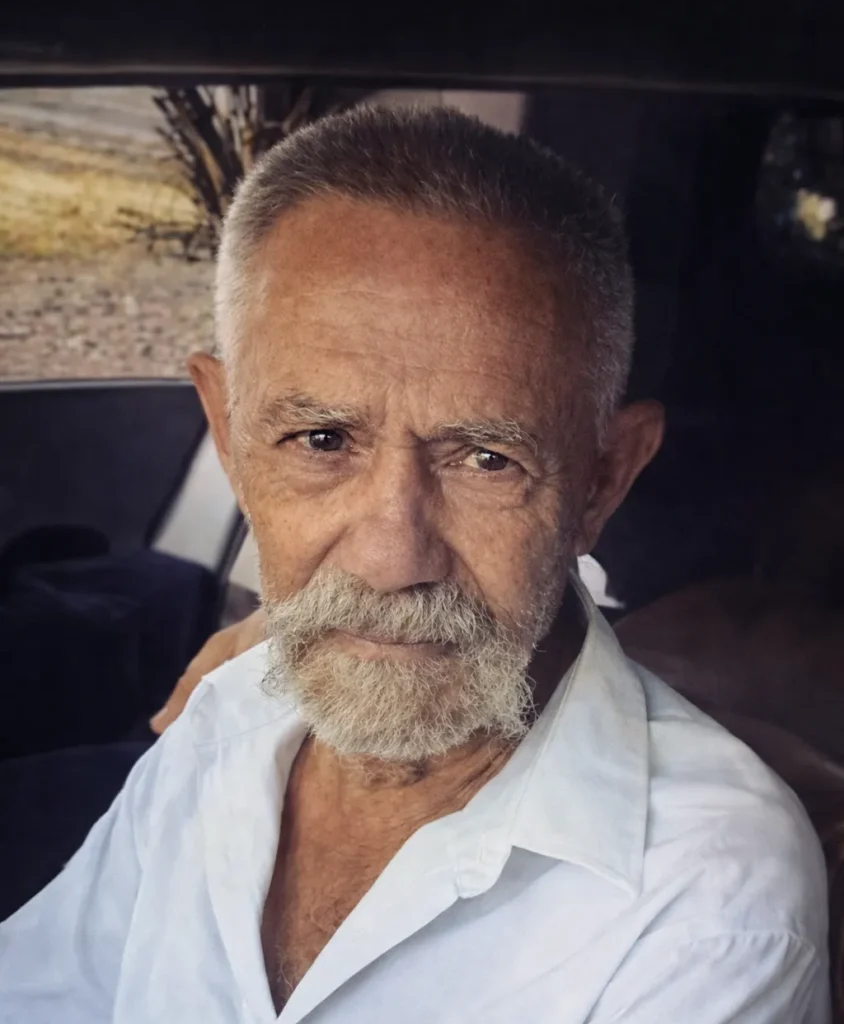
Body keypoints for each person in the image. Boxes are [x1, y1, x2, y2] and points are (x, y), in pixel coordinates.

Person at [0, 106, 829, 1023]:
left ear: (603, 481)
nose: (392, 559)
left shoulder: (710, 908)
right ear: (230, 438)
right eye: (321, 440)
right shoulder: (232, 709)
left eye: (487, 460)